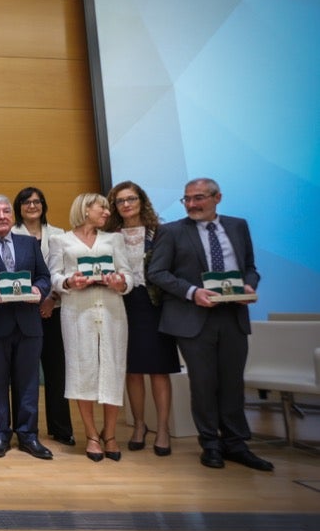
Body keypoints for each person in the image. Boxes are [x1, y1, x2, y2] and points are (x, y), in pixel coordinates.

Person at [147, 177, 271, 471]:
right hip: (193, 318)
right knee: (203, 384)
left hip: (232, 316)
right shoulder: (171, 231)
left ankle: (236, 444)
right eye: (187, 199)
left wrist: (249, 288)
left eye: (199, 198)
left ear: (218, 198)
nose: (191, 204)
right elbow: (157, 272)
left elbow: (250, 268)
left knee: (232, 382)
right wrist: (193, 292)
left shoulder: (238, 226)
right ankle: (211, 445)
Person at [48, 193, 133, 462]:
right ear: (85, 209)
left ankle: (110, 434)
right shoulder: (60, 240)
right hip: (77, 313)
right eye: (103, 208)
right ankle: (92, 434)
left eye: (109, 209)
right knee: (81, 370)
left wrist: (121, 282)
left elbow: (128, 274)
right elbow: (54, 276)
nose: (108, 213)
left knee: (112, 369)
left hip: (111, 311)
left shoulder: (114, 239)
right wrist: (69, 282)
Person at [0, 195, 54, 462]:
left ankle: (29, 435)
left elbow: (44, 276)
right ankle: (0, 434)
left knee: (28, 383)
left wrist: (38, 289)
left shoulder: (29, 243)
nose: (1, 216)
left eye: (6, 211)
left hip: (29, 324)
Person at [105, 181, 180, 457]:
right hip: (123, 305)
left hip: (155, 305)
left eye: (131, 199)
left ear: (141, 201)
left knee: (159, 370)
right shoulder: (109, 235)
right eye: (120, 201)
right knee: (132, 370)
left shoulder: (160, 232)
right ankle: (139, 425)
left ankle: (162, 429)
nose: (126, 204)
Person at [11, 186, 75, 446]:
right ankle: (24, 429)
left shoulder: (59, 235)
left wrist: (51, 299)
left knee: (57, 371)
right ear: (19, 207)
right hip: (23, 310)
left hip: (54, 310)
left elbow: (64, 271)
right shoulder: (11, 234)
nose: (32, 206)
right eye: (26, 202)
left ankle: (60, 428)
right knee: (23, 374)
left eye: (37, 201)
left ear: (43, 205)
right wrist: (35, 298)